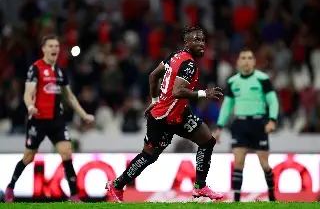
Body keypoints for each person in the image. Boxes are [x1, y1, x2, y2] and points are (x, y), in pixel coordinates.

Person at [106, 26, 224, 202]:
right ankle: (116, 185)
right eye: (197, 40)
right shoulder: (189, 64)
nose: (202, 44)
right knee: (149, 156)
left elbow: (153, 76)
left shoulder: (175, 56)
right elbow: (177, 91)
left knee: (207, 141)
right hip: (163, 119)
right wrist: (203, 93)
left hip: (179, 113)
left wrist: (154, 102)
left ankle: (200, 187)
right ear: (186, 42)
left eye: (203, 40)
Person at [4, 35, 95, 203]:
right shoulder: (35, 68)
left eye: (57, 46)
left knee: (67, 153)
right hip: (38, 120)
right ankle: (10, 187)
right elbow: (27, 92)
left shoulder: (61, 71)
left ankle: (74, 196)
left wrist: (84, 115)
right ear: (44, 49)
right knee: (29, 157)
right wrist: (30, 106)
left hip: (57, 121)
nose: (55, 49)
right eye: (51, 46)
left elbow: (70, 97)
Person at [214, 48, 279, 202]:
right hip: (240, 124)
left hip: (259, 123)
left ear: (254, 61)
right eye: (243, 58)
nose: (246, 61)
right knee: (238, 162)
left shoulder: (262, 79)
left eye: (250, 58)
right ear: (238, 62)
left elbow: (273, 101)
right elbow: (227, 106)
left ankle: (272, 196)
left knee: (264, 164)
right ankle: (236, 200)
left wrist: (272, 120)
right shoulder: (233, 82)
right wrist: (219, 127)